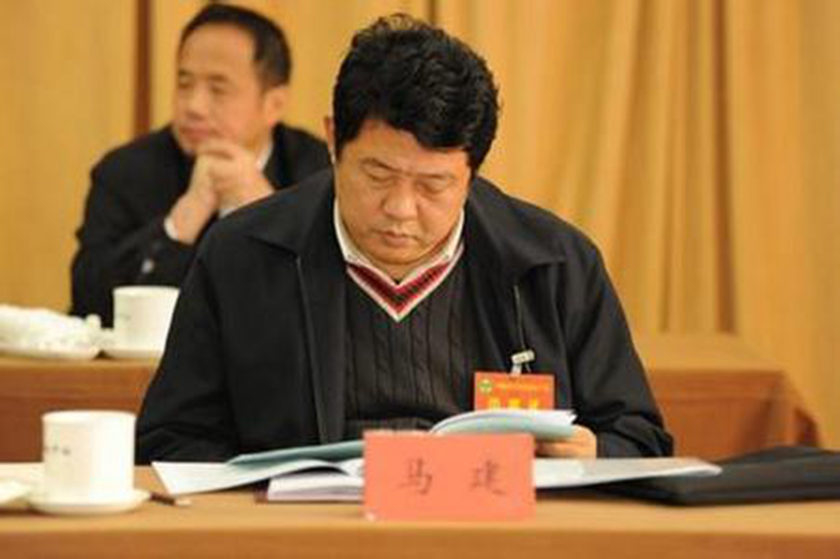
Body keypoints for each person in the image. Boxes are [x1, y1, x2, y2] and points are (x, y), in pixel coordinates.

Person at [137, 14, 672, 462]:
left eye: (433, 185)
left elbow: (640, 438)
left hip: (497, 533)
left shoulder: (553, 264)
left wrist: (593, 451)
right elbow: (170, 439)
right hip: (311, 533)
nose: (400, 209)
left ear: (473, 172)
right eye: (377, 174)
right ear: (333, 140)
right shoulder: (241, 256)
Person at [71, 4, 330, 325]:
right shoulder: (126, 171)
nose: (193, 106)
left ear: (273, 104)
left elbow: (336, 301)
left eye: (218, 89)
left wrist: (270, 214)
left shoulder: (320, 172)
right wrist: (179, 225)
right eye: (184, 83)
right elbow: (88, 303)